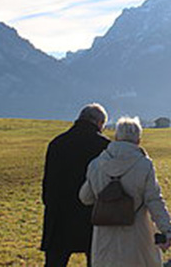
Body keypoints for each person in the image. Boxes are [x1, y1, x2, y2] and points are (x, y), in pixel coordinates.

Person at [79, 116, 171, 266]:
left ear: (116, 137)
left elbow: (85, 197)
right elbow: (154, 200)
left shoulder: (96, 164)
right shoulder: (144, 165)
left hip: (105, 236)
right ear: (138, 139)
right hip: (137, 237)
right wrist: (166, 230)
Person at [40, 103, 110, 266]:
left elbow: (48, 182)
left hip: (59, 215)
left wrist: (49, 203)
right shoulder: (104, 146)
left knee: (55, 262)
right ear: (99, 123)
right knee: (96, 261)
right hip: (92, 215)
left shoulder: (57, 143)